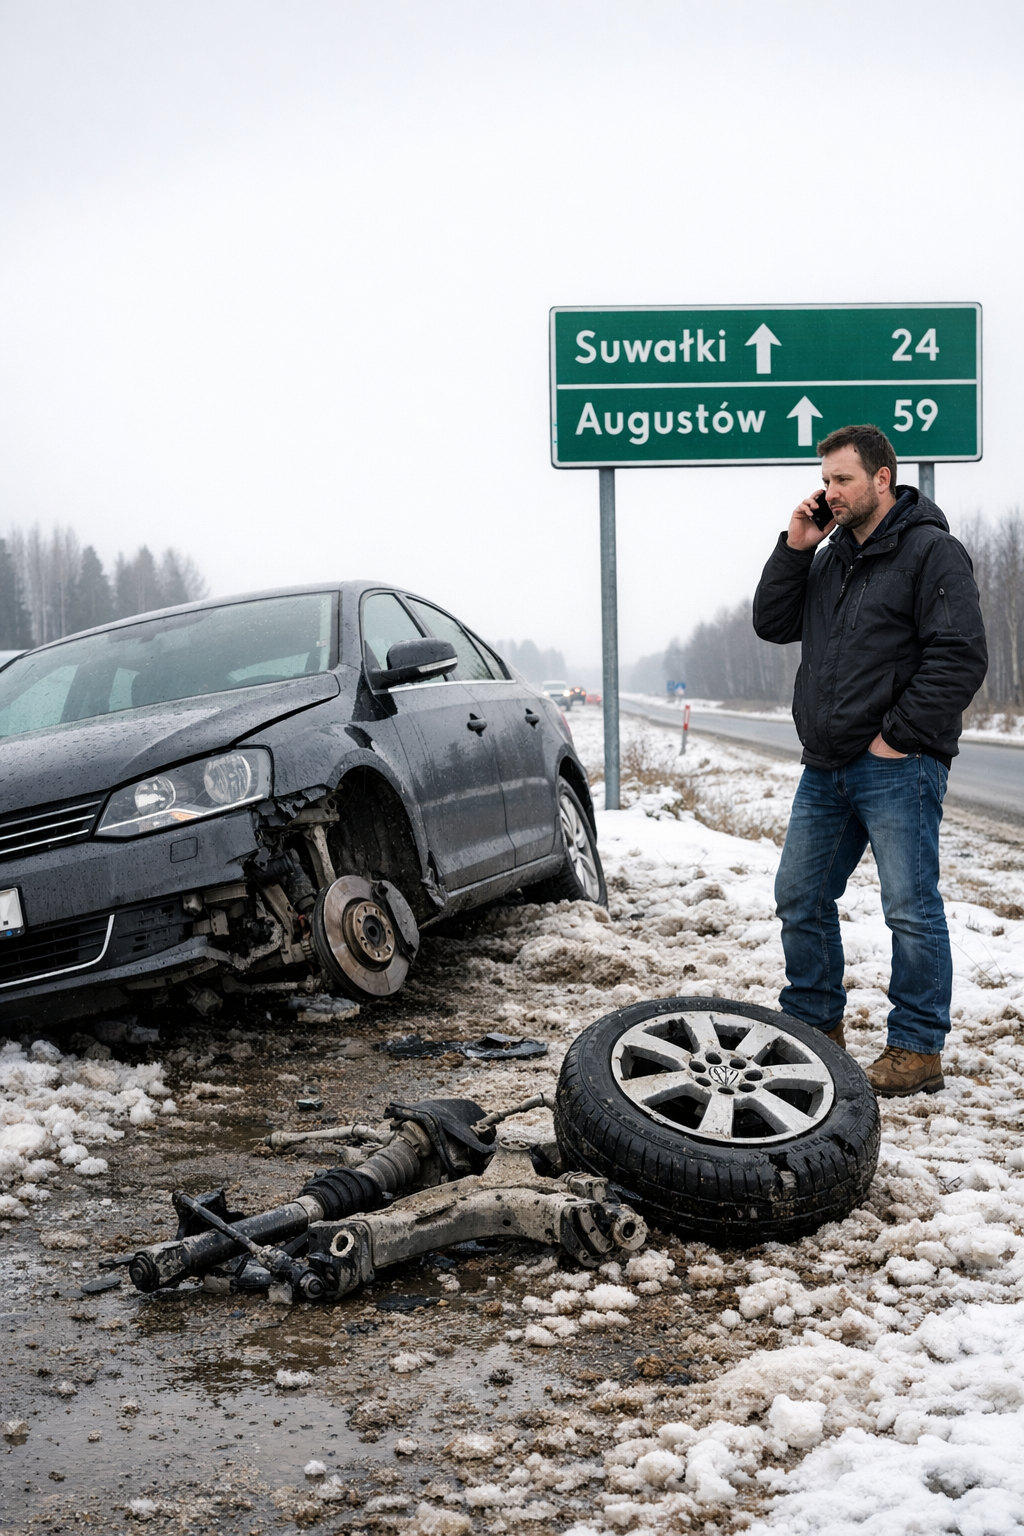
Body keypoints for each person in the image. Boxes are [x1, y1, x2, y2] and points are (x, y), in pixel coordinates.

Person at [753, 424, 988, 1096]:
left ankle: (916, 1049)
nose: (830, 492)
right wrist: (796, 548)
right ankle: (813, 1028)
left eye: (843, 479)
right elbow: (772, 624)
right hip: (825, 763)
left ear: (882, 478)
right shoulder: (828, 556)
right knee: (798, 896)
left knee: (908, 907)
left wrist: (901, 736)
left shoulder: (930, 552)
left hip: (897, 763)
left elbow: (961, 656)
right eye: (825, 480)